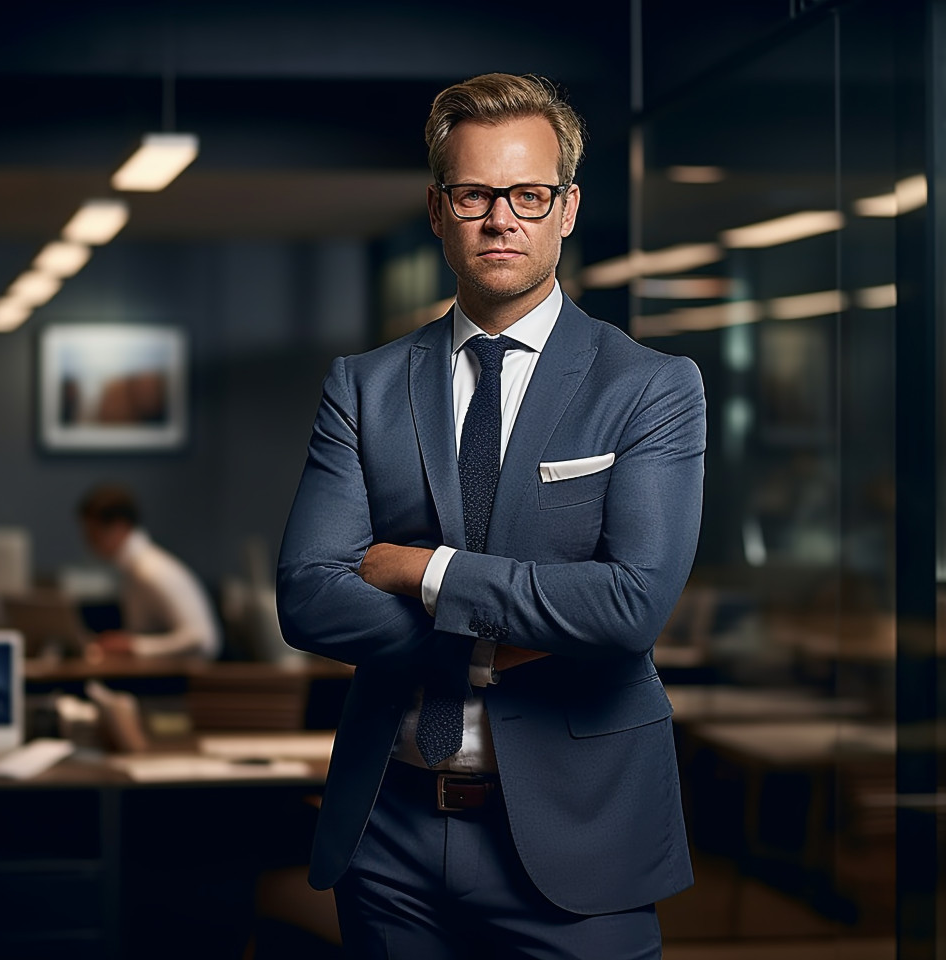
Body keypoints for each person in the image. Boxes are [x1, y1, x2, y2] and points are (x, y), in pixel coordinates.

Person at [277, 73, 706, 960]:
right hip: (388, 838)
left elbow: (630, 607)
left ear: (567, 208)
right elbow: (307, 598)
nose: (501, 218)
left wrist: (421, 572)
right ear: (439, 210)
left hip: (583, 841)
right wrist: (506, 634)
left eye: (528, 194)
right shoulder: (364, 387)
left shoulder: (651, 389)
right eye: (475, 193)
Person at [77, 484, 221, 659]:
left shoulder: (151, 572)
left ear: (119, 526)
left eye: (93, 533)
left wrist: (134, 646)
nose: (88, 542)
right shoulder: (135, 569)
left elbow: (203, 639)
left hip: (187, 681)